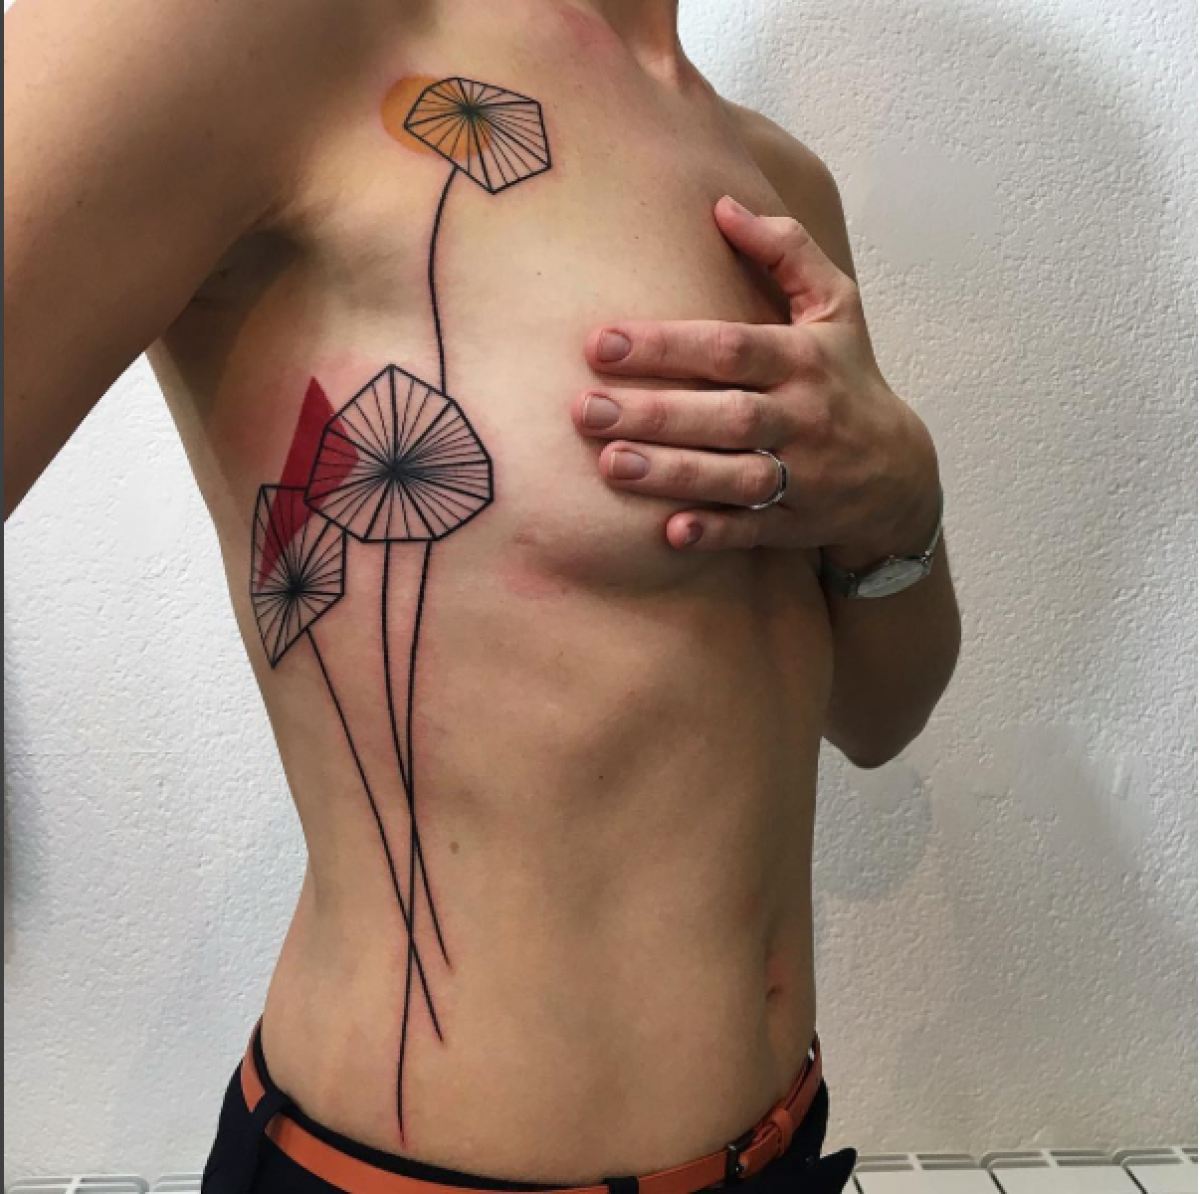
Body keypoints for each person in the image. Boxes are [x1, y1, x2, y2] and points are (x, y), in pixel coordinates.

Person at [4, 0, 961, 1189]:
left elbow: (878, 716)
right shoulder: (260, 30)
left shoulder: (777, 180)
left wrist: (902, 503)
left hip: (785, 1143)